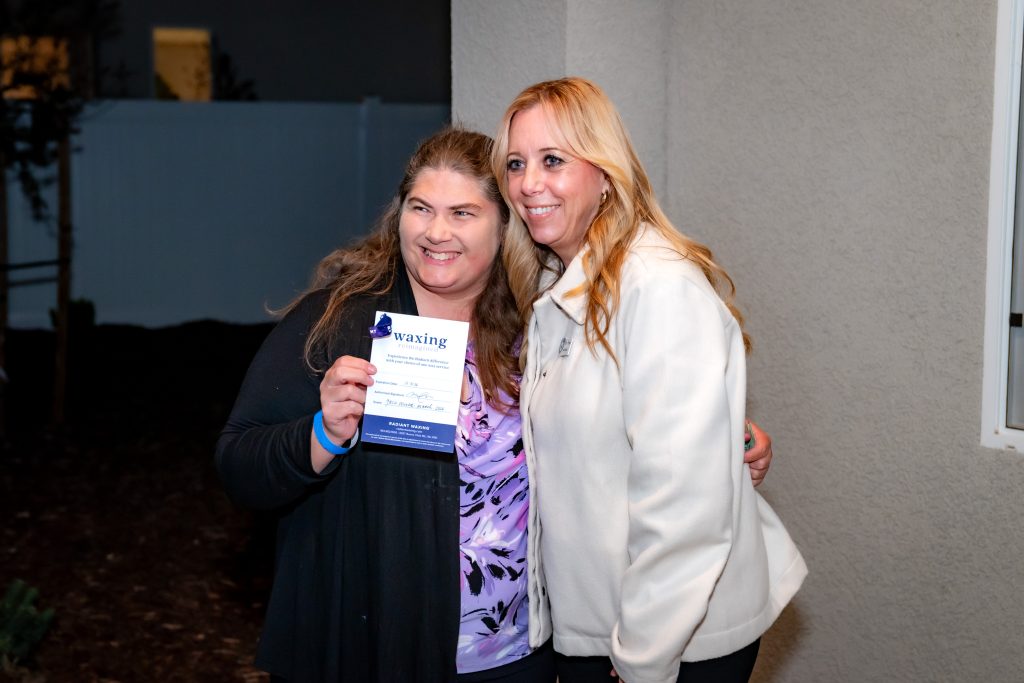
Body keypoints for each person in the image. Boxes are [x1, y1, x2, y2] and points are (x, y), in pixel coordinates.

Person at [216, 126, 776, 682]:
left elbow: (619, 421)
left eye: (462, 213)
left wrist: (718, 438)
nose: (436, 231)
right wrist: (323, 434)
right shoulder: (340, 322)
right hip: (376, 652)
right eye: (420, 208)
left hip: (519, 656)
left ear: (505, 226)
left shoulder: (542, 323)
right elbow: (239, 464)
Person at [492, 77, 807, 683]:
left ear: (606, 174)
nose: (528, 184)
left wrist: (642, 655)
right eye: (516, 163)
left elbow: (683, 504)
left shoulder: (657, 286)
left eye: (553, 160)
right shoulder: (559, 281)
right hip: (601, 625)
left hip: (666, 640)